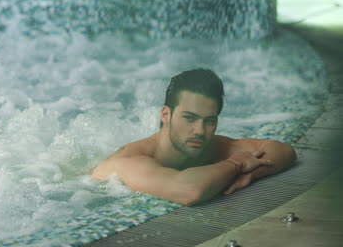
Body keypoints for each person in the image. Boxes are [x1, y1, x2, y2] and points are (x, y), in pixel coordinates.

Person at [91, 68, 297, 206]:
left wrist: (252, 173)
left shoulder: (204, 146)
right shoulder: (129, 162)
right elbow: (189, 191)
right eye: (190, 118)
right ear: (166, 115)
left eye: (209, 121)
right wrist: (235, 164)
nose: (200, 130)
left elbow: (282, 150)